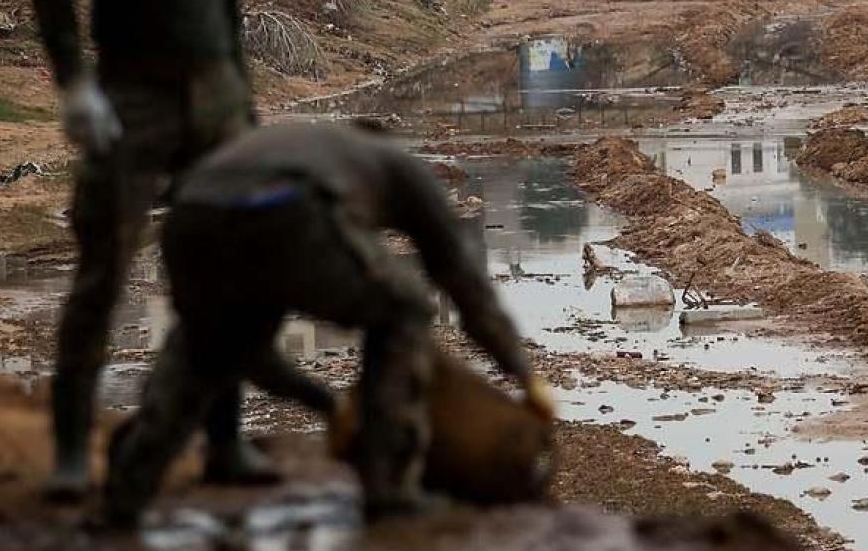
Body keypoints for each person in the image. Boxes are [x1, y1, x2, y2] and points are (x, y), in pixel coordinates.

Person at [31, 0, 294, 501]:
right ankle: (70, 453)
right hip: (133, 100)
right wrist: (74, 84)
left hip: (217, 105)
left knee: (228, 278)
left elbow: (229, 15)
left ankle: (223, 444)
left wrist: (243, 109)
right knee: (103, 272)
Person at [101, 123, 554, 527]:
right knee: (406, 308)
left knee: (205, 345)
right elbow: (463, 281)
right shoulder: (401, 168)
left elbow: (250, 354)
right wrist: (523, 372)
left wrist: (326, 402)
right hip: (289, 209)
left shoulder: (313, 144)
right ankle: (389, 489)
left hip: (189, 216)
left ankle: (126, 492)